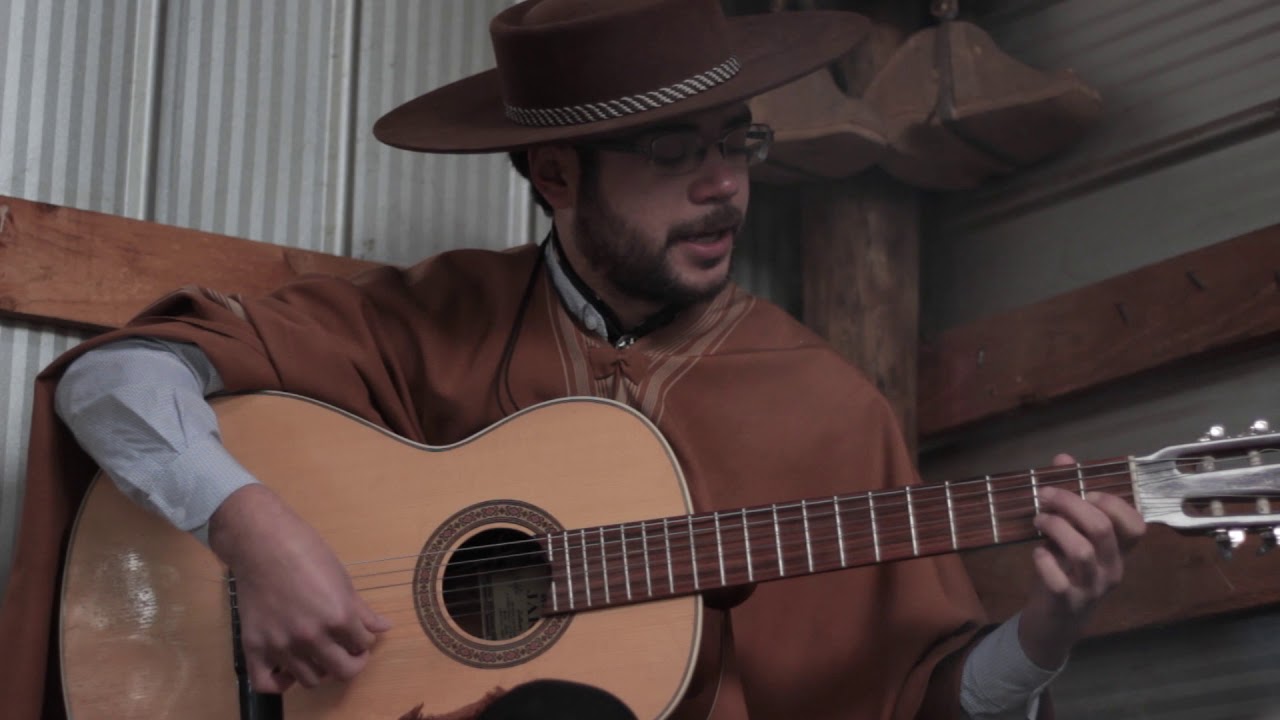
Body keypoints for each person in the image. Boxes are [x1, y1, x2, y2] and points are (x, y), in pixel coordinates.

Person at [0, 0, 1146, 718]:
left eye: (736, 142)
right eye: (673, 152)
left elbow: (915, 700)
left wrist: (1045, 633)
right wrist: (248, 525)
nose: (723, 186)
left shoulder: (825, 408)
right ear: (555, 176)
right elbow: (115, 379)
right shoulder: (430, 315)